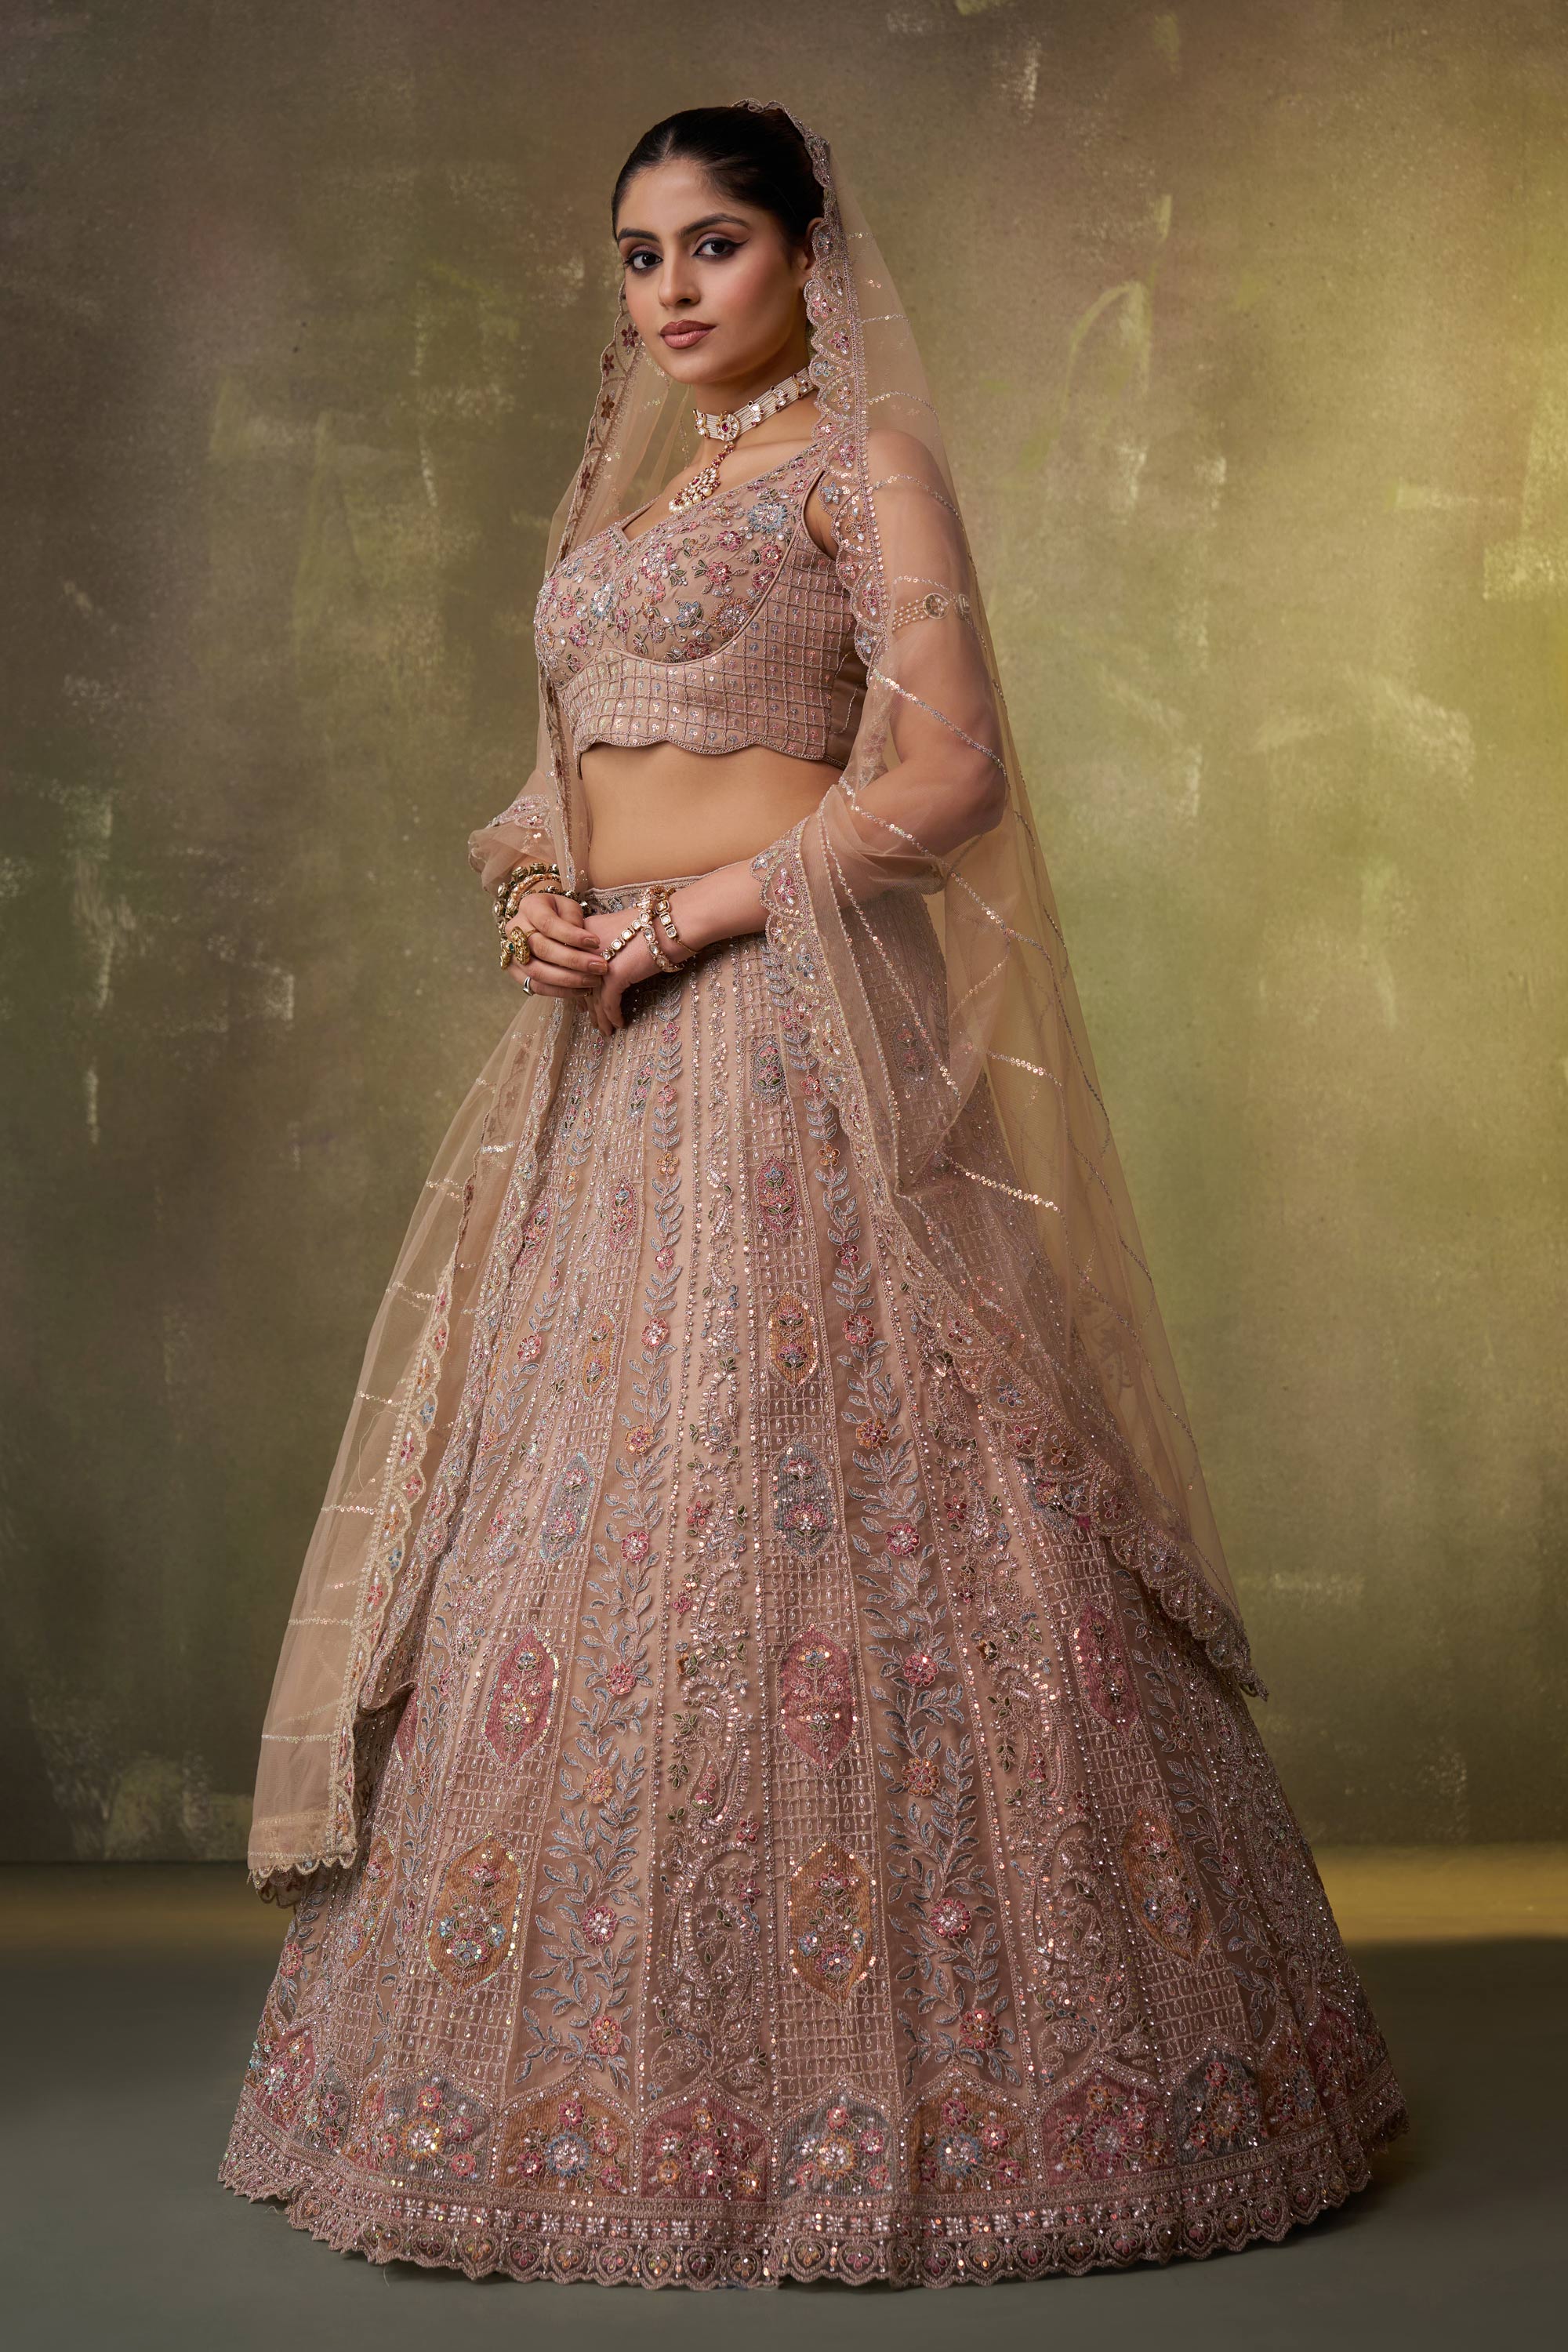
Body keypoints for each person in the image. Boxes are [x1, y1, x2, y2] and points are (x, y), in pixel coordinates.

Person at [220, 100, 1406, 2289]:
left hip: (788, 1035)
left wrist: (685, 922)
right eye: (639, 254)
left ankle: (980, 2085)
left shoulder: (864, 468)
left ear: (807, 254)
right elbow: (562, 779)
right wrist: (543, 908)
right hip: (609, 1065)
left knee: (849, 1493)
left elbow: (945, 769)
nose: (671, 291)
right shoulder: (647, 501)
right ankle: (603, 2078)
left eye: (715, 245)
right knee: (600, 1508)